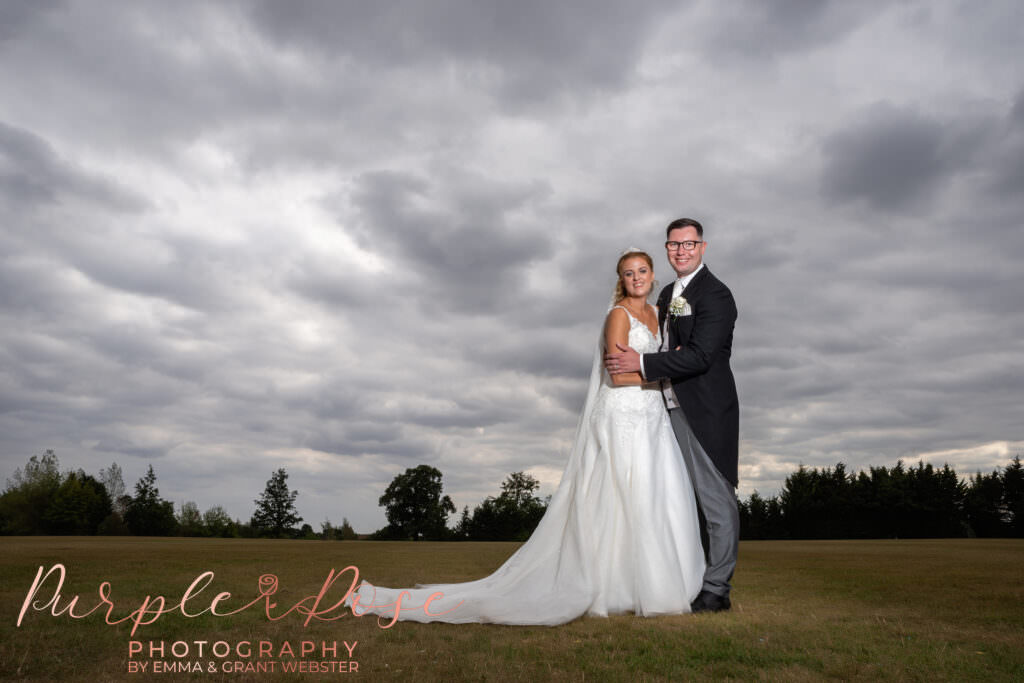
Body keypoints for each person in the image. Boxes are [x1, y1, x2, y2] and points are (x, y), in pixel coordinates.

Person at [346, 249, 704, 625]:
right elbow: (616, 375)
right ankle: (607, 586)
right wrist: (663, 375)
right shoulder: (618, 316)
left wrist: (658, 366)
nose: (636, 278)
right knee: (618, 497)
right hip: (623, 415)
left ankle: (638, 584)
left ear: (652, 274)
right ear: (621, 280)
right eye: (628, 273)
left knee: (650, 497)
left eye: (642, 270)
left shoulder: (658, 314)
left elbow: (660, 357)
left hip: (652, 417)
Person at [605, 217, 739, 613]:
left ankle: (717, 590)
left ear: (702, 247)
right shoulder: (666, 294)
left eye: (689, 244)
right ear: (667, 249)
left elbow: (699, 356)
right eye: (674, 245)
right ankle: (686, 578)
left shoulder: (716, 295)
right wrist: (666, 360)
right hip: (665, 411)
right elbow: (674, 349)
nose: (681, 251)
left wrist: (645, 361)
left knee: (716, 501)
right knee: (677, 500)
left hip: (705, 410)